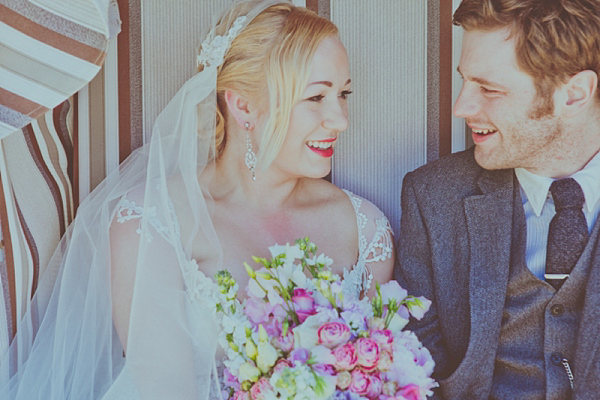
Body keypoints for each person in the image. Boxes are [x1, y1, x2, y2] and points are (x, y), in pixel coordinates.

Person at [0, 1, 395, 398]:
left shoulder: (364, 228)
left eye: (343, 94)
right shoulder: (150, 223)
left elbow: (375, 375)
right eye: (315, 98)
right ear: (243, 106)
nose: (340, 119)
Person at [396, 0, 600, 398]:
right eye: (464, 82)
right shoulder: (434, 196)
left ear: (573, 95)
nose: (461, 107)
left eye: (489, 89)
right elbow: (418, 360)